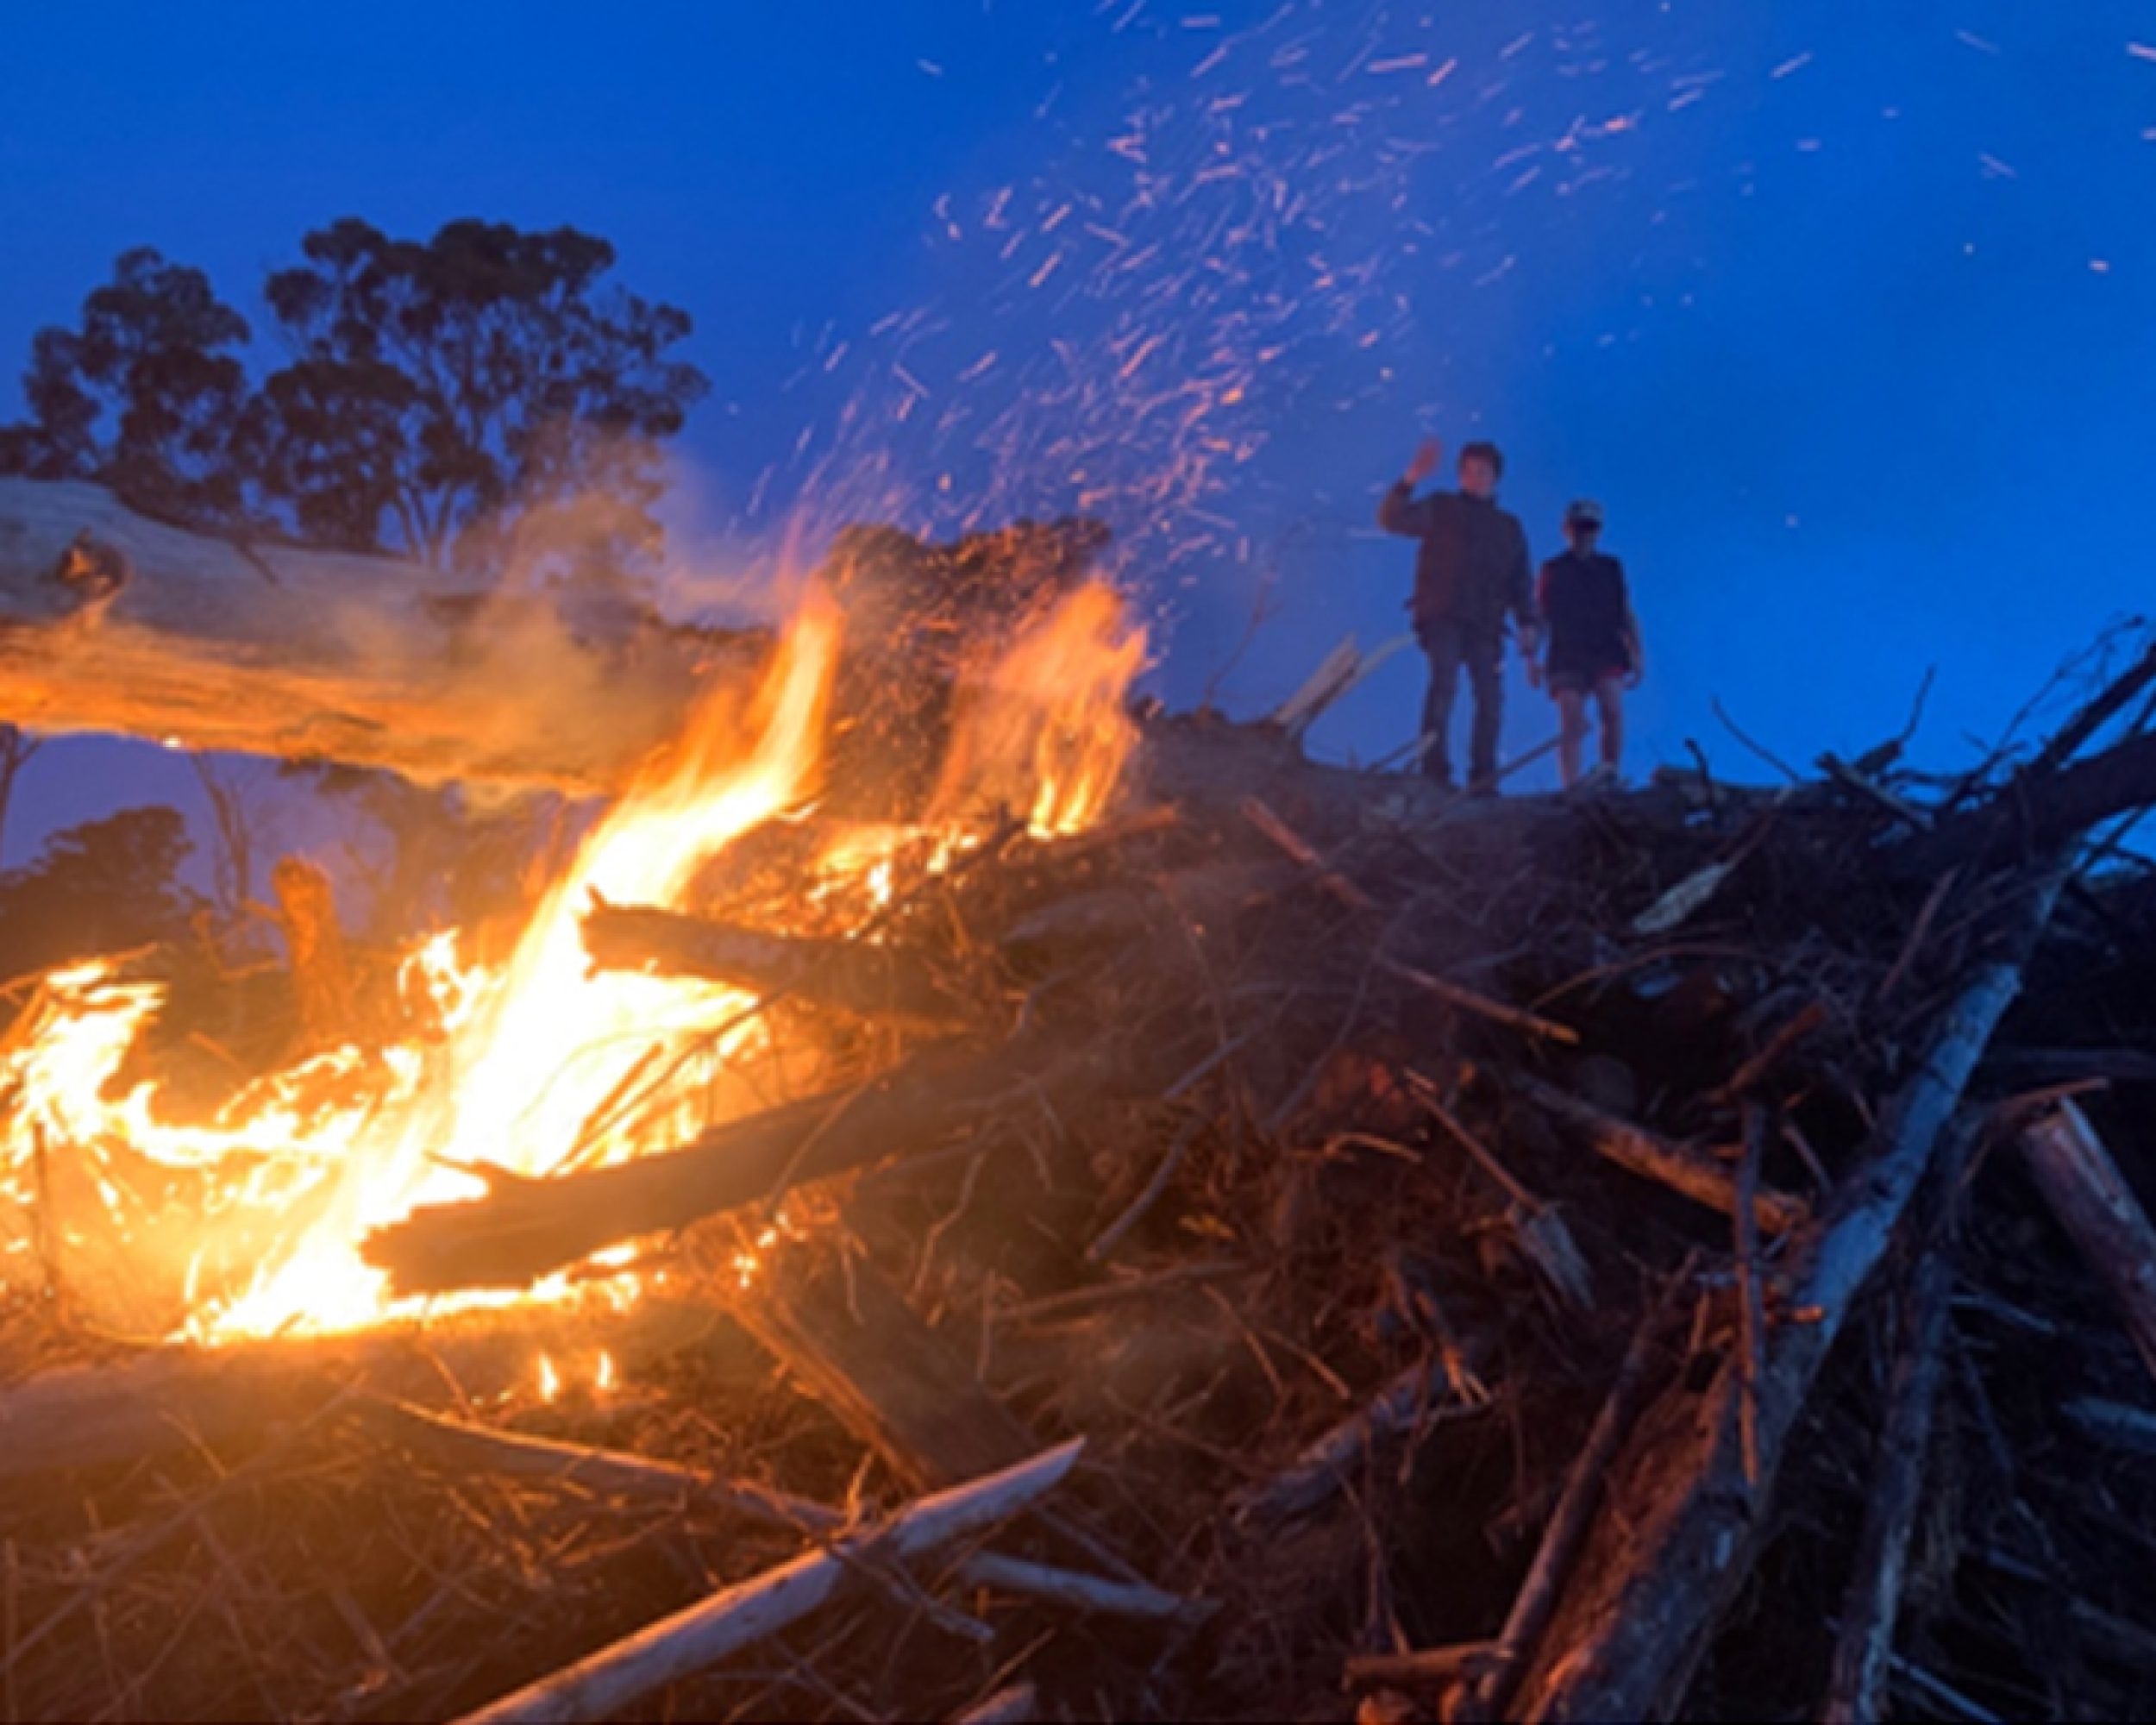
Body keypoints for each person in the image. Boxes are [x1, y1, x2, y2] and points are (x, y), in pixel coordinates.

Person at [1378, 436, 1540, 794]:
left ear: (1495, 477)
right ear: (1460, 475)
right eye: (1468, 471)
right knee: (1444, 683)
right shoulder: (1441, 508)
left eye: (1482, 471)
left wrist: (1529, 623)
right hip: (1442, 613)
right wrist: (1409, 480)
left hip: (1486, 622)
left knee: (1490, 697)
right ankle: (1434, 771)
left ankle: (1483, 777)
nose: (1475, 478)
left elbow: (1520, 581)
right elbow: (1392, 519)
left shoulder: (1507, 528)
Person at [1537, 498, 1643, 789]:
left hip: (1605, 647)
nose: (1584, 533)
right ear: (1567, 530)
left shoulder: (1610, 568)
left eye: (1590, 527)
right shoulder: (1554, 569)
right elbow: (1542, 614)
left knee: (1611, 707)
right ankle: (1570, 784)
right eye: (1579, 527)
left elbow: (1624, 612)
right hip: (1567, 650)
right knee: (1571, 718)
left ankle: (1609, 771)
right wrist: (1532, 656)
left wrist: (1637, 652)